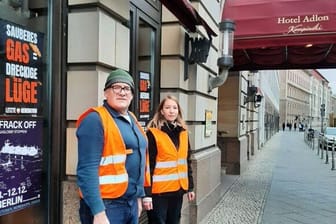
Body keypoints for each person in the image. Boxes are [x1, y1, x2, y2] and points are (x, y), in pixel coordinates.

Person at [76, 69, 152, 224]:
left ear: (132, 95)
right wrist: (98, 212)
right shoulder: (95, 120)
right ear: (106, 93)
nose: (122, 92)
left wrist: (139, 196)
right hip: (107, 205)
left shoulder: (132, 118)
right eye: (116, 87)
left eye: (127, 89)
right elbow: (86, 169)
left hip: (130, 202)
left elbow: (140, 160)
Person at [144, 95, 195, 224]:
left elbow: (187, 162)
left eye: (174, 108)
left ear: (178, 111)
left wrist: (190, 187)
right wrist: (147, 194)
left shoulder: (183, 133)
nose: (171, 111)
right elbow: (147, 166)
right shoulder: (153, 133)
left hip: (177, 190)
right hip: (159, 193)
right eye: (167, 107)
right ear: (162, 111)